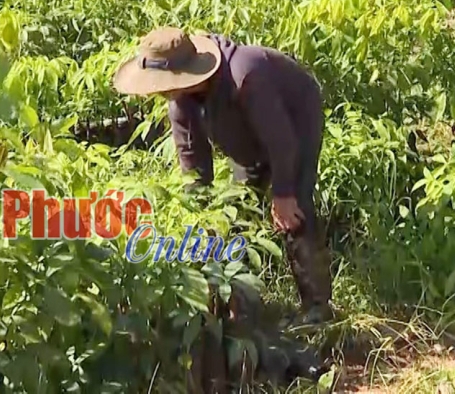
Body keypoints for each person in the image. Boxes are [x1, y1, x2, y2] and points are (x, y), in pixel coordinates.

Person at [112, 27, 333, 323]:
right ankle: (241, 307)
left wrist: (282, 192)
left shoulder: (246, 75)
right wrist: (202, 220)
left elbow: (282, 141)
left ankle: (318, 309)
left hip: (294, 121)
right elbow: (194, 168)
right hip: (245, 133)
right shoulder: (181, 103)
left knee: (294, 209)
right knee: (238, 211)